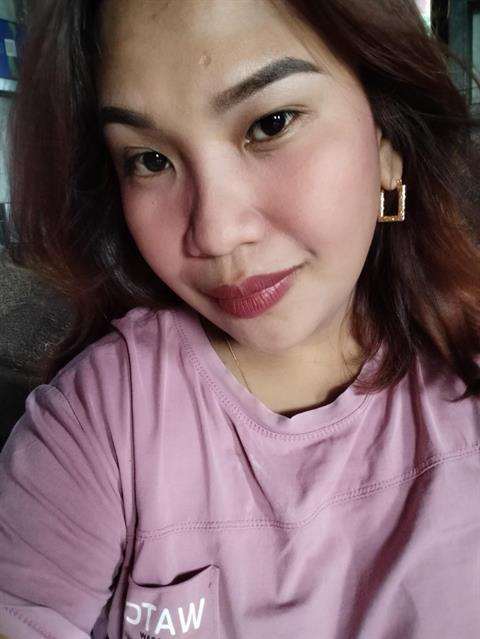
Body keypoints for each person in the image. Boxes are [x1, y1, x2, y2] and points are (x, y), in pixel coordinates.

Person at [0, 0, 479, 637]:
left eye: (270, 124)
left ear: (387, 145)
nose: (216, 233)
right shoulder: (100, 422)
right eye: (149, 160)